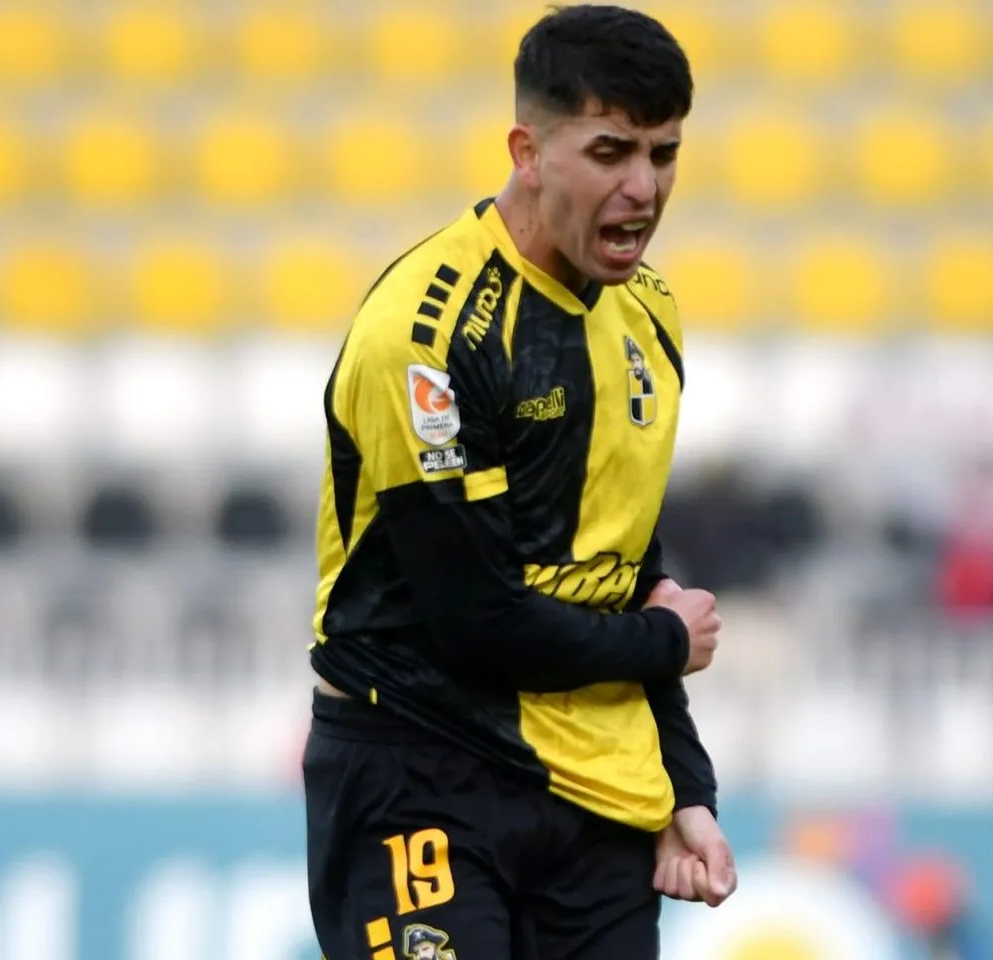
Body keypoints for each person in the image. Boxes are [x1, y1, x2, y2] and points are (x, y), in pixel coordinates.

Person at [302, 6, 735, 959]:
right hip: (421, 772)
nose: (643, 189)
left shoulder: (649, 317)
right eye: (611, 151)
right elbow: (478, 623)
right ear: (527, 150)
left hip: (596, 796)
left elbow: (621, 572)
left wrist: (686, 786)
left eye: (663, 155)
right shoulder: (428, 336)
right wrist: (664, 639)